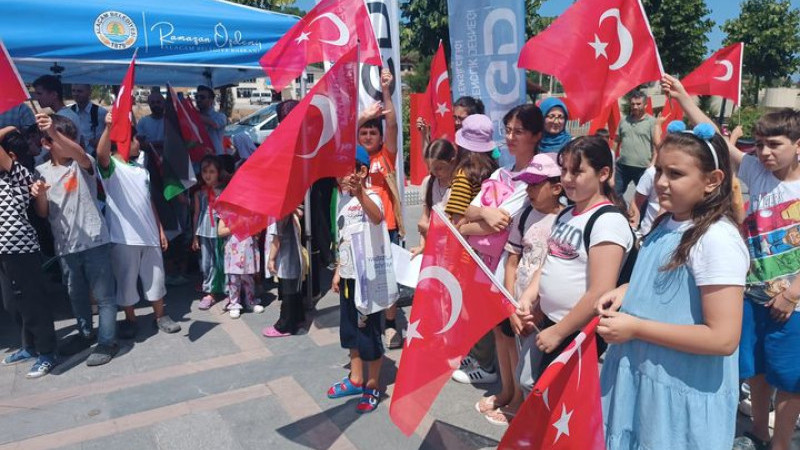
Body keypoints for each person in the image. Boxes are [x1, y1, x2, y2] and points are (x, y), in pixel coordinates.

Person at [598, 123, 748, 450]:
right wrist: (627, 291)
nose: (661, 183)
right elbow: (664, 283)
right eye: (659, 170)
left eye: (676, 174)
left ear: (712, 181)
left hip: (679, 394)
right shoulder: (667, 220)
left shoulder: (716, 239)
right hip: (642, 380)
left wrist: (637, 328)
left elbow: (722, 338)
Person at [517, 136, 634, 392]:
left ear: (603, 173)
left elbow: (600, 292)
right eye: (564, 170)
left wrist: (560, 331)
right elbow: (550, 260)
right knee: (528, 382)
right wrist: (530, 294)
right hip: (550, 322)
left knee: (557, 402)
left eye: (577, 171)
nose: (567, 178)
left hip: (577, 335)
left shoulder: (607, 222)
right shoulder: (567, 214)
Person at [454, 106, 544, 386]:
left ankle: (517, 397)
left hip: (513, 265)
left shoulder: (536, 175)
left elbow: (503, 222)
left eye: (518, 131)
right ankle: (508, 392)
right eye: (507, 130)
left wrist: (480, 218)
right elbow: (468, 215)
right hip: (490, 263)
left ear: (536, 135)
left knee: (512, 333)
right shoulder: (501, 173)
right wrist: (483, 214)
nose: (510, 137)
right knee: (498, 330)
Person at [477, 153, 564, 426]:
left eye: (536, 184)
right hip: (516, 301)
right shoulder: (524, 215)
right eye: (527, 184)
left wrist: (534, 309)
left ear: (557, 187)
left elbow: (557, 269)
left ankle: (524, 409)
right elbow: (512, 260)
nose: (529, 190)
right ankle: (509, 394)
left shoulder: (565, 221)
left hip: (542, 308)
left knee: (533, 362)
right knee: (512, 347)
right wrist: (510, 300)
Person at [32, 114, 117, 366]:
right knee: (76, 296)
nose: (68, 144)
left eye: (70, 138)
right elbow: (43, 213)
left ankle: (107, 341)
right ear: (46, 144)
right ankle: (84, 333)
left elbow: (80, 153)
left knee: (104, 297)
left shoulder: (82, 163)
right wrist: (39, 195)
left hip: (94, 241)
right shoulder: (41, 171)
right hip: (65, 246)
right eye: (59, 139)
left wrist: (55, 133)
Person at [96, 112, 181, 337]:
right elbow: (100, 154)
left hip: (150, 236)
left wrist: (160, 229)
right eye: (134, 139)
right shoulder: (111, 167)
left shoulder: (141, 168)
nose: (138, 143)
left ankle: (160, 316)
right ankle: (131, 320)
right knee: (126, 281)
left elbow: (148, 200)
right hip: (124, 238)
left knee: (156, 278)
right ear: (123, 142)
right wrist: (108, 128)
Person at [328, 146, 385, 414]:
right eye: (338, 171)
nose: (341, 177)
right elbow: (343, 239)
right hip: (349, 278)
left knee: (369, 332)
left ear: (362, 171)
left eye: (347, 170)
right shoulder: (340, 200)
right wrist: (339, 269)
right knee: (350, 329)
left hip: (369, 280)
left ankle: (373, 384)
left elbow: (378, 217)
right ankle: (356, 377)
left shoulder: (371, 195)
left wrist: (361, 193)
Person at [0, 125, 58, 378]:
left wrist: (8, 129)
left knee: (33, 302)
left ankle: (47, 353)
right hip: (3, 251)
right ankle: (29, 346)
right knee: (12, 303)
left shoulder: (18, 173)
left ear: (11, 156)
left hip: (20, 246)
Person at [358, 68, 404, 349]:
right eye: (363, 131)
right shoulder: (355, 159)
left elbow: (394, 127)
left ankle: (390, 325)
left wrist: (386, 91)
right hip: (361, 228)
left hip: (388, 227)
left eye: (372, 132)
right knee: (366, 275)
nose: (367, 136)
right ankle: (369, 317)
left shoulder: (386, 156)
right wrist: (362, 117)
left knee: (390, 278)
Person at [410, 139, 458, 256]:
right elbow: (425, 216)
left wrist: (430, 228)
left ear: (452, 162)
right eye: (431, 168)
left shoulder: (459, 185)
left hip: (453, 249)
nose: (435, 172)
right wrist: (422, 244)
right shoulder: (429, 182)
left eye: (439, 168)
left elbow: (457, 225)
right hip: (434, 247)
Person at [263, 209, 305, 336]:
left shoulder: (282, 212)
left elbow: (277, 238)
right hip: (293, 255)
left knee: (288, 293)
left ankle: (284, 326)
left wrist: (271, 259)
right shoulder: (291, 209)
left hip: (287, 258)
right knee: (294, 291)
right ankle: (298, 318)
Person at [192, 155, 226, 309]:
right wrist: (195, 236)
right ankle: (210, 292)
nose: (208, 175)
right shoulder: (199, 193)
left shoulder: (224, 190)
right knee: (207, 262)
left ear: (218, 172)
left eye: (212, 171)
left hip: (221, 230)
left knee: (223, 261)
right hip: (205, 230)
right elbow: (197, 214)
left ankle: (228, 291)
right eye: (205, 171)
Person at [217, 219, 262, 319]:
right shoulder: (227, 213)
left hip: (248, 249)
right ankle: (234, 303)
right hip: (233, 250)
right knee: (233, 279)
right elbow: (220, 232)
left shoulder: (251, 214)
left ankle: (250, 301)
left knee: (249, 277)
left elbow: (258, 230)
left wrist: (253, 228)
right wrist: (237, 225)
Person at [614, 90, 655, 197]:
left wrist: (653, 164)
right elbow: (616, 140)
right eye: (632, 104)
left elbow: (656, 145)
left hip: (642, 167)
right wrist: (613, 158)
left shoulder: (651, 122)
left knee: (642, 200)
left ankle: (638, 214)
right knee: (614, 194)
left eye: (638, 104)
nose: (635, 107)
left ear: (645, 105)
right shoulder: (623, 120)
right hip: (623, 166)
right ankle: (621, 212)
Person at [32, 75, 83, 148]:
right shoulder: (69, 114)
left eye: (40, 94)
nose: (37, 98)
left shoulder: (63, 118)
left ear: (54, 94)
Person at [69, 84, 108, 155]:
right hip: (74, 155)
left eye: (79, 91)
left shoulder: (101, 112)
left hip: (96, 155)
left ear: (89, 92)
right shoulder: (69, 112)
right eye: (73, 91)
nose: (75, 94)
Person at [194, 85, 227, 156]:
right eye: (196, 97)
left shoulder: (220, 116)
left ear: (211, 100)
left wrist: (193, 115)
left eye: (202, 97)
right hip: (199, 157)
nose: (198, 100)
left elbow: (214, 124)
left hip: (215, 158)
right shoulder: (194, 115)